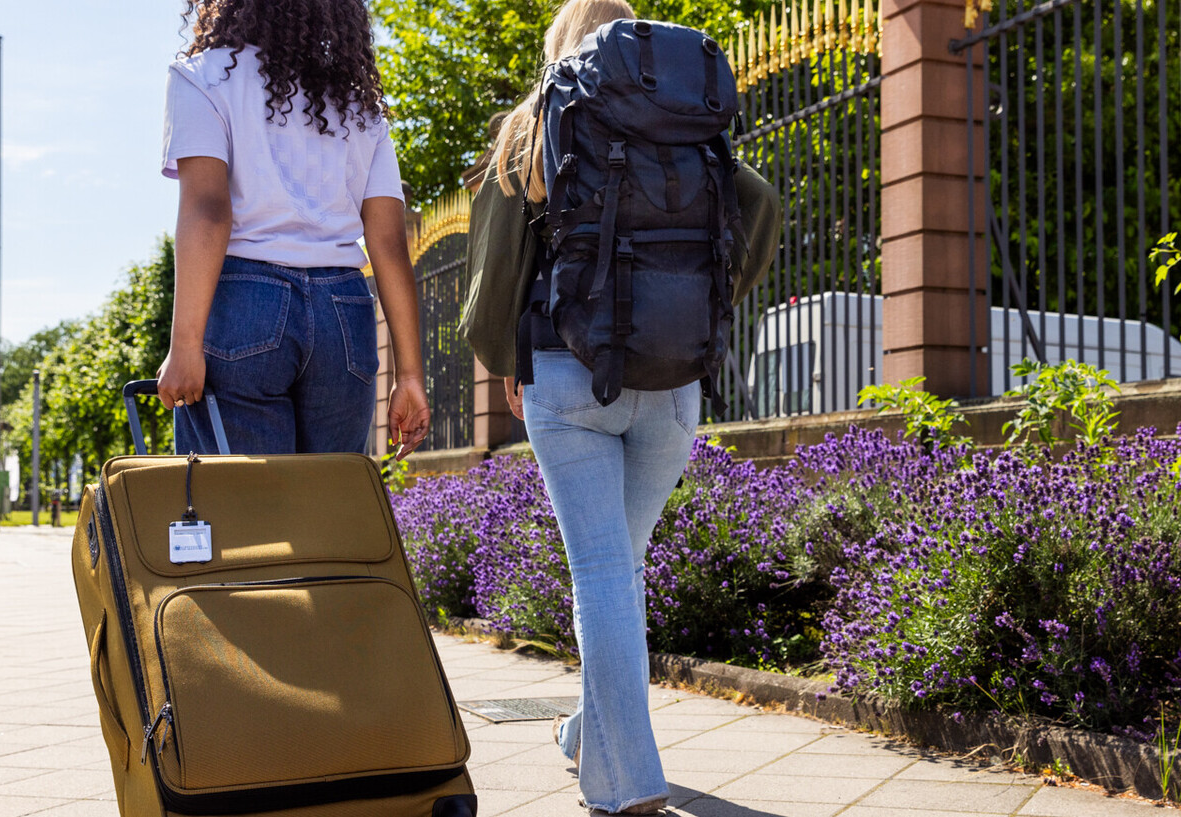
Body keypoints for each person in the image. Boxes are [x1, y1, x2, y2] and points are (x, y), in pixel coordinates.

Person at [461, 2, 784, 812]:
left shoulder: (535, 127)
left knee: (603, 575)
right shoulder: (685, 123)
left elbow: (496, 271)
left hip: (569, 379)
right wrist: (708, 305)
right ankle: (584, 732)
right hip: (674, 385)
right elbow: (764, 205)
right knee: (621, 574)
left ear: (562, 45)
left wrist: (507, 359)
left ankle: (628, 785)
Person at [157, 0, 430, 458]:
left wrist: (185, 344)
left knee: (241, 514)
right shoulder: (359, 106)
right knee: (326, 508)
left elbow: (208, 210)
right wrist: (409, 377)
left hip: (246, 302)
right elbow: (388, 244)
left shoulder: (201, 76)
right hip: (345, 312)